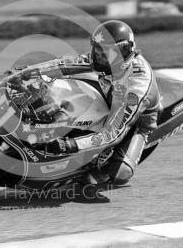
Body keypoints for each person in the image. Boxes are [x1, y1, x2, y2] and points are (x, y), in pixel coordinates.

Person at [45, 20, 161, 185]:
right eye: (97, 49)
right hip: (110, 95)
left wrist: (69, 145)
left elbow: (112, 133)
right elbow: (63, 65)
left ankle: (100, 165)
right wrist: (24, 72)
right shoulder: (101, 61)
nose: (99, 56)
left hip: (134, 122)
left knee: (121, 172)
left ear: (123, 52)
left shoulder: (138, 85)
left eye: (106, 53)